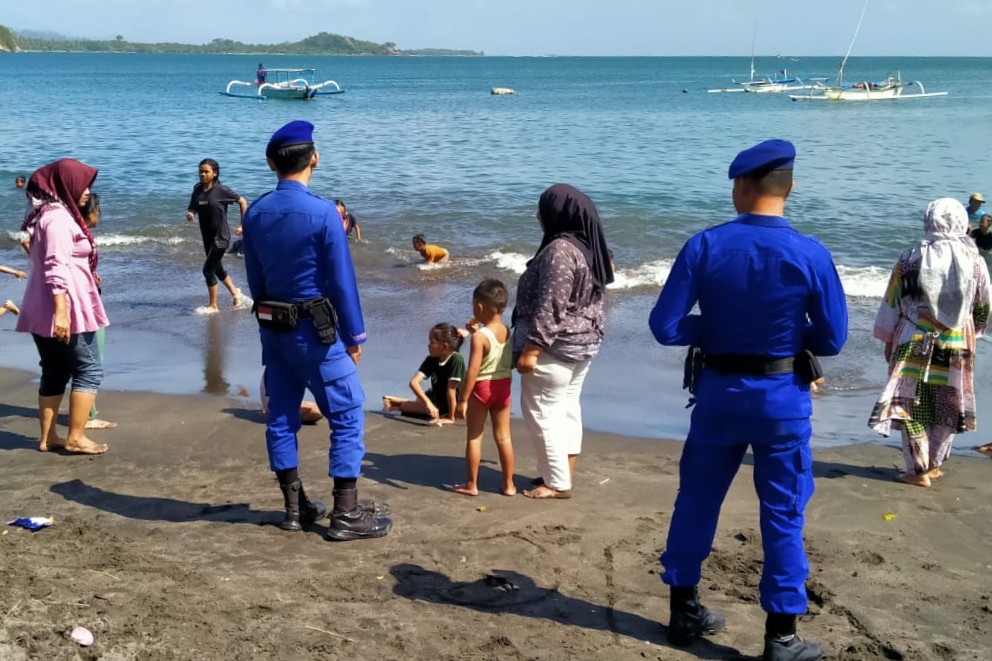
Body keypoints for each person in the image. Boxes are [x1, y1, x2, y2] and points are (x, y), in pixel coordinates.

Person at [649, 139, 847, 661]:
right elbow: (830, 340)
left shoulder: (705, 246)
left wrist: (714, 328)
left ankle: (683, 611)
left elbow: (665, 326)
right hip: (781, 401)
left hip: (717, 397)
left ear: (742, 186)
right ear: (790, 188)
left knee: (696, 501)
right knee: (783, 515)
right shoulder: (811, 253)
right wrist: (783, 338)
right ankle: (781, 637)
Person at [242, 119, 391, 541]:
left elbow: (256, 280)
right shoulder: (325, 212)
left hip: (274, 328)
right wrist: (355, 336)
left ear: (272, 163)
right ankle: (345, 511)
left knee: (282, 417)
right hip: (317, 334)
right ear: (314, 160)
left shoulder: (255, 212)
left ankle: (294, 508)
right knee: (346, 413)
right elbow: (342, 280)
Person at [869, 198, 990, 488]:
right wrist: (975, 331)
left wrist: (888, 339)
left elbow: (892, 302)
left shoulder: (910, 259)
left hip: (914, 340)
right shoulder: (975, 262)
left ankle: (918, 469)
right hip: (958, 342)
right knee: (947, 405)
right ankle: (933, 465)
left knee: (909, 404)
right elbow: (984, 307)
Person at [513, 183, 613, 500]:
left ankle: (556, 483)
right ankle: (561, 472)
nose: (537, 215)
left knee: (542, 412)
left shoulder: (559, 250)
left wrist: (531, 349)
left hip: (555, 348)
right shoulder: (589, 249)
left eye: (542, 209)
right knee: (566, 409)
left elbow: (550, 306)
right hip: (582, 344)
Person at [16, 159, 111, 455]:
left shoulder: (44, 213)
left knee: (54, 370)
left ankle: (48, 438)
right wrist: (62, 311)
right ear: (63, 184)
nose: (86, 192)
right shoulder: (58, 218)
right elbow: (55, 265)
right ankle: (76, 437)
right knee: (89, 368)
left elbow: (40, 255)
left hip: (42, 304)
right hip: (66, 307)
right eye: (82, 185)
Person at [454, 279, 515, 497]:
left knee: (474, 437)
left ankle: (472, 484)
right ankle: (509, 484)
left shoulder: (480, 337)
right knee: (504, 437)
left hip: (482, 388)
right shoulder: (507, 331)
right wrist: (474, 331)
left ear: (479, 307)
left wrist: (463, 399)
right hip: (504, 386)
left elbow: (473, 369)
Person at [185, 158, 247, 312]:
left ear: (215, 173)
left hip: (221, 237)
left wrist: (242, 224)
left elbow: (242, 201)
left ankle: (213, 306)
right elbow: (193, 207)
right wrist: (191, 214)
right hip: (207, 237)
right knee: (217, 269)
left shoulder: (222, 190)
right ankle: (236, 294)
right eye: (200, 171)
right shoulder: (197, 190)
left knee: (207, 270)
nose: (202, 174)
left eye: (206, 171)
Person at [78, 193, 116, 431]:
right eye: (97, 210)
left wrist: (90, 274)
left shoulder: (75, 233)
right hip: (84, 304)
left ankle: (87, 412)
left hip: (87, 297)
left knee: (86, 358)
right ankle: (88, 416)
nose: (98, 214)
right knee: (91, 359)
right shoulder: (79, 234)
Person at [382, 322, 465, 424]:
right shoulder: (431, 359)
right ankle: (401, 402)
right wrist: (428, 404)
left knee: (406, 408)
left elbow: (451, 390)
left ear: (444, 347)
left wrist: (451, 418)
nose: (428, 345)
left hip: (449, 404)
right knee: (407, 407)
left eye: (432, 342)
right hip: (433, 397)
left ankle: (399, 402)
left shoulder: (456, 359)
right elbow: (413, 382)